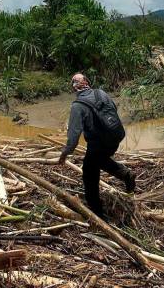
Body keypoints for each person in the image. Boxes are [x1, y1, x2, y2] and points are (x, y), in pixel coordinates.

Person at [58, 73, 136, 217]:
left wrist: (64, 154)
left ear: (73, 89)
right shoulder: (101, 93)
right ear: (87, 82)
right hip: (116, 136)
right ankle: (126, 174)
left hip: (98, 143)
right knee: (99, 160)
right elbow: (113, 110)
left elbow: (73, 137)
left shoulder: (77, 106)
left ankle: (96, 211)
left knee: (89, 171)